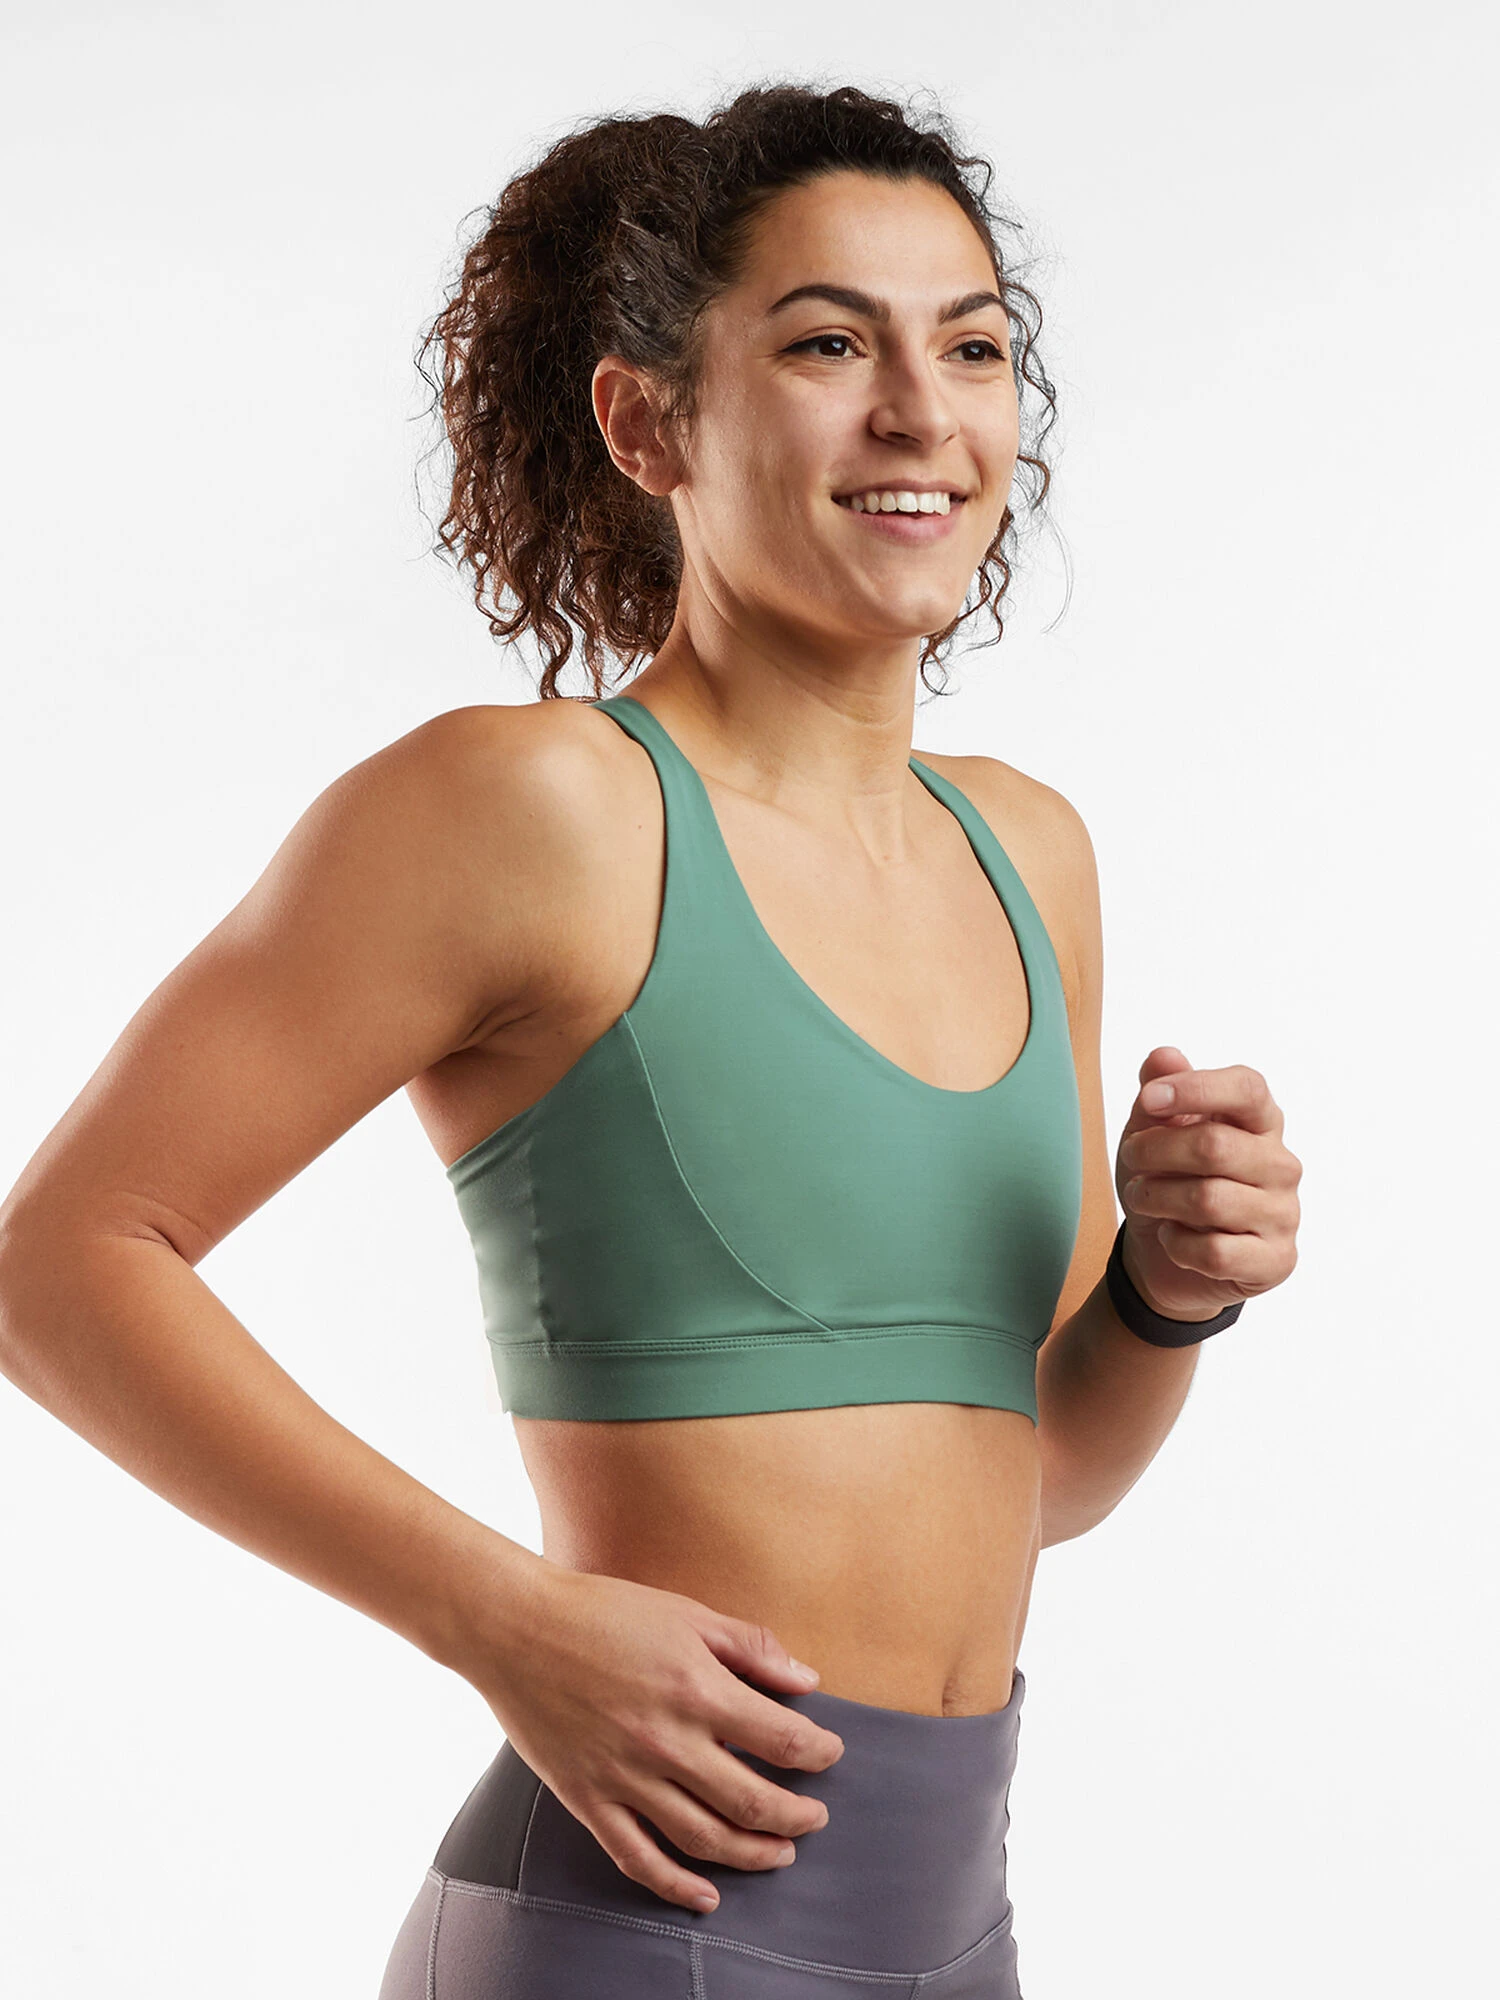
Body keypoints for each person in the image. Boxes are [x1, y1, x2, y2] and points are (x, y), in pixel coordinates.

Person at [0, 81, 1302, 1999]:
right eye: (830, 344)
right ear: (647, 421)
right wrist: (500, 1619)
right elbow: (59, 1263)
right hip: (633, 1932)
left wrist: (1171, 1295)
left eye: (971, 347)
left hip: (963, 1930)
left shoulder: (1031, 854)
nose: (920, 412)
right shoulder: (533, 812)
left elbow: (1042, 1471)